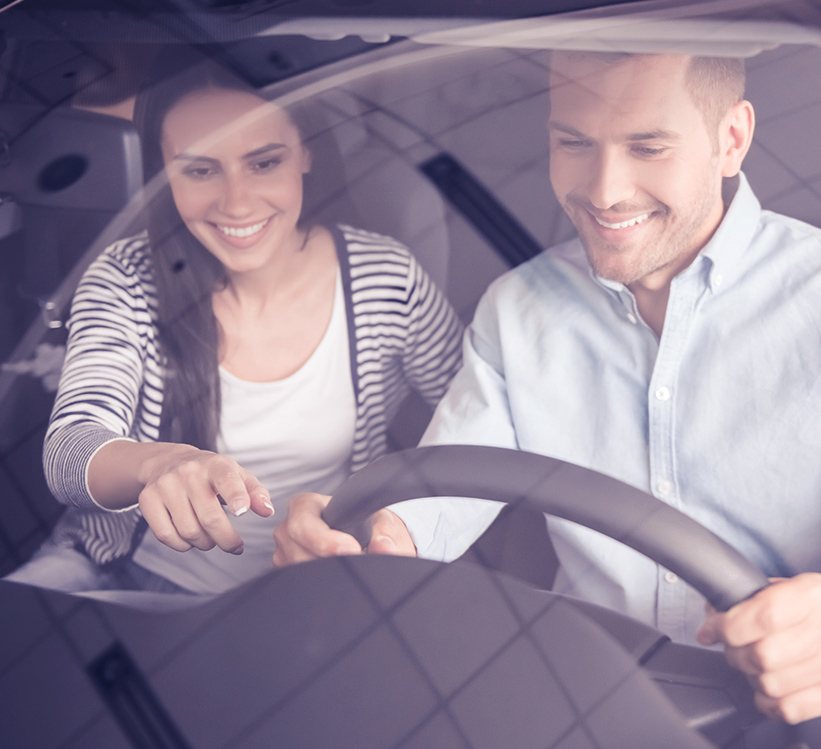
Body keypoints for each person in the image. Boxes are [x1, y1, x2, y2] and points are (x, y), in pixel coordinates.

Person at [273, 51, 821, 725]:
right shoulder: (518, 308)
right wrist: (359, 538)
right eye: (573, 143)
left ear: (729, 140)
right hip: (578, 704)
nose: (603, 189)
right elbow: (435, 496)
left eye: (647, 147)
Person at [5, 58, 463, 595]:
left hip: (312, 584)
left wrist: (387, 519)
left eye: (264, 163)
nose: (236, 203)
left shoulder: (386, 278)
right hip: (130, 574)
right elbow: (69, 451)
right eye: (199, 170)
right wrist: (159, 463)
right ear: (162, 173)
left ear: (307, 152)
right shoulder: (126, 278)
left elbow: (469, 427)